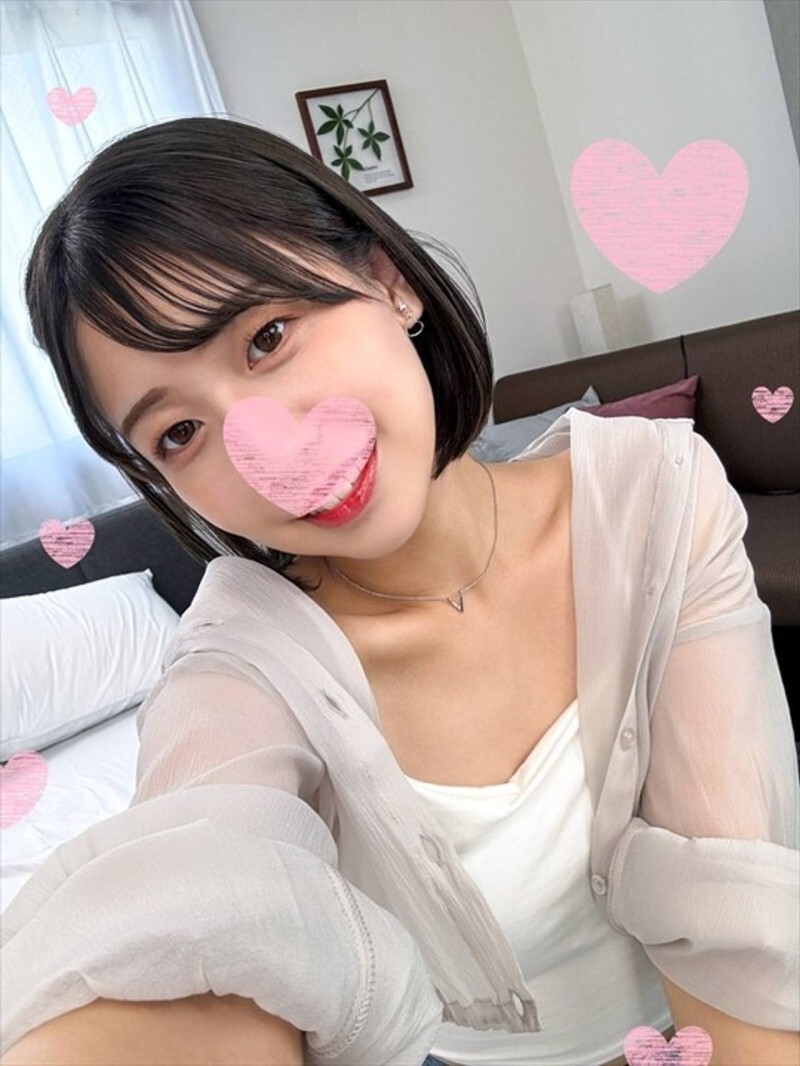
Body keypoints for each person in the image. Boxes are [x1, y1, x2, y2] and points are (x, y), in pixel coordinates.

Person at [2, 116, 798, 1066]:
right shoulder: (245, 667)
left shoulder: (657, 495)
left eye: (267, 338)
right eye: (179, 433)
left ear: (389, 281)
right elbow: (201, 901)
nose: (270, 454)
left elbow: (735, 927)